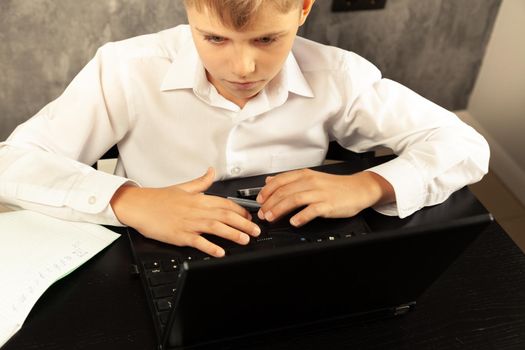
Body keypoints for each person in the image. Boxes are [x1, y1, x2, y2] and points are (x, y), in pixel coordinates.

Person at [0, 0, 489, 258]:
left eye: (267, 39)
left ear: (302, 9)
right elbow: (13, 160)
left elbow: (463, 145)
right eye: (214, 38)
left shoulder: (338, 75)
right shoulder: (126, 68)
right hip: (148, 246)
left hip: (294, 250)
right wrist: (129, 200)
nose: (243, 65)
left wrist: (369, 184)